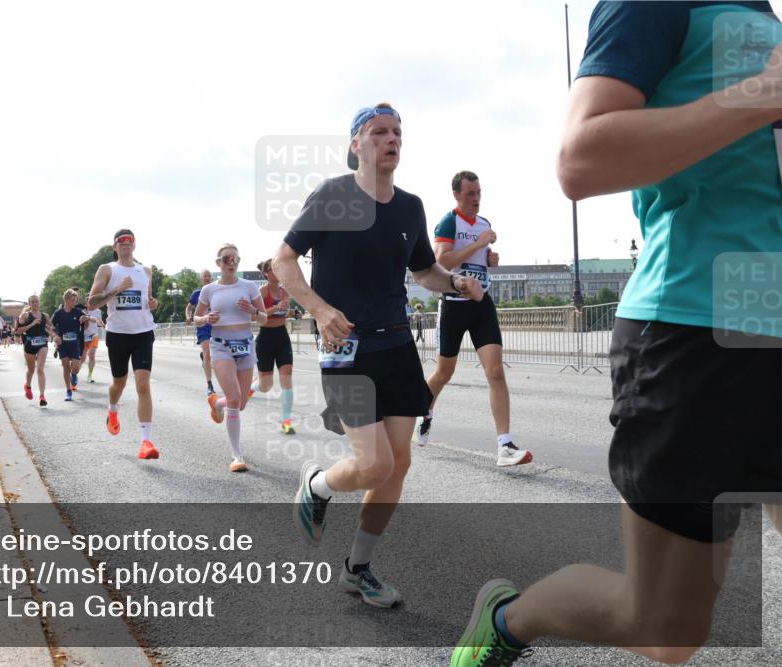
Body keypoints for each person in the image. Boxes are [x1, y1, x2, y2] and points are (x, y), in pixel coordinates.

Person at [451, 3, 782, 665]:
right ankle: (510, 616)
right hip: (698, 333)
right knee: (664, 628)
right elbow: (581, 159)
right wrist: (761, 94)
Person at [274, 103, 483, 608]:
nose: (391, 140)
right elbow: (283, 260)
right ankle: (318, 484)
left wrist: (453, 283)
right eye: (378, 132)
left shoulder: (410, 207)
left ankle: (358, 569)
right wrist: (320, 310)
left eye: (397, 133)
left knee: (397, 464)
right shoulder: (333, 196)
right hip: (345, 347)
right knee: (372, 465)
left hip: (397, 344)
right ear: (356, 144)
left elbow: (424, 271)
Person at [417, 171, 531, 467]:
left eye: (479, 192)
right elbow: (440, 262)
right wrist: (477, 243)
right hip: (454, 305)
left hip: (481, 304)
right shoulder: (449, 221)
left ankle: (505, 445)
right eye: (470, 193)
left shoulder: (485, 224)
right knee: (444, 373)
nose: (476, 198)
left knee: (495, 372)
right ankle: (424, 411)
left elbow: (482, 258)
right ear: (457, 195)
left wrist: (491, 259)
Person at [193, 244, 268, 472]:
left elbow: (264, 319)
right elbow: (196, 317)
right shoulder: (209, 290)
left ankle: (216, 402)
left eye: (235, 258)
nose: (232, 262)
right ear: (218, 263)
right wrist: (206, 318)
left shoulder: (248, 287)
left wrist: (253, 311)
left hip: (245, 344)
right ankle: (236, 455)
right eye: (227, 258)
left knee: (241, 403)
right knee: (234, 398)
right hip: (221, 345)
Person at [88, 229, 160, 460]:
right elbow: (91, 303)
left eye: (130, 240)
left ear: (135, 245)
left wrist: (153, 303)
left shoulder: (145, 271)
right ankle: (112, 409)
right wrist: (116, 290)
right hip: (118, 334)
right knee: (118, 383)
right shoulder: (108, 270)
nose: (126, 244)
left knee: (143, 385)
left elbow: (147, 303)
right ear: (115, 247)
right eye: (122, 241)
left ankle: (146, 441)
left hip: (143, 333)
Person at [251, 257, 297, 435]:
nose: (275, 271)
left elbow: (284, 313)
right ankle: (252, 387)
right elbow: (256, 316)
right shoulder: (261, 291)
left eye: (277, 267)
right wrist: (275, 308)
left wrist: (288, 310)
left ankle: (286, 421)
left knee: (287, 378)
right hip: (265, 339)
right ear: (265, 273)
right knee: (266, 386)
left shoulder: (285, 292)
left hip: (282, 336)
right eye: (271, 269)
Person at [52, 289, 89, 402]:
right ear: (66, 300)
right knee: (65, 367)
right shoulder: (58, 313)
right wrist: (55, 336)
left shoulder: (78, 312)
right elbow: (50, 328)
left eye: (75, 300)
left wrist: (85, 321)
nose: (75, 302)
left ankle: (74, 375)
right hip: (63, 344)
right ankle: (68, 391)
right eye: (73, 300)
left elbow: (86, 326)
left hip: (75, 344)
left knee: (76, 368)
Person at [16, 295, 53, 407]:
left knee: (40, 369)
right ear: (29, 304)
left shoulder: (45, 315)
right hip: (29, 344)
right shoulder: (25, 315)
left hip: (42, 343)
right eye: (32, 302)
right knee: (31, 370)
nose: (35, 304)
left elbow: (50, 328)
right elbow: (18, 331)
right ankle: (28, 386)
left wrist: (53, 333)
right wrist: (32, 324)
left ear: (39, 303)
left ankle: (42, 396)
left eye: (36, 301)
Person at [185, 269, 217, 395]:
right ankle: (209, 384)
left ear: (212, 278)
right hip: (203, 326)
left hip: (217, 326)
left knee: (220, 355)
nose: (207, 278)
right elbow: (189, 307)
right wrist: (188, 317)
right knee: (207, 353)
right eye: (205, 276)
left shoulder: (217, 291)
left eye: (209, 276)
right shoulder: (197, 293)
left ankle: (205, 360)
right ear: (201, 279)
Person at [82, 304, 104, 383]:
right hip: (84, 336)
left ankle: (90, 375)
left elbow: (99, 322)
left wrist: (102, 324)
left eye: (90, 300)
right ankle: (74, 373)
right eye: (87, 300)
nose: (89, 302)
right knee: (83, 358)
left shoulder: (98, 311)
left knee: (91, 355)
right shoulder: (83, 310)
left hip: (94, 335)